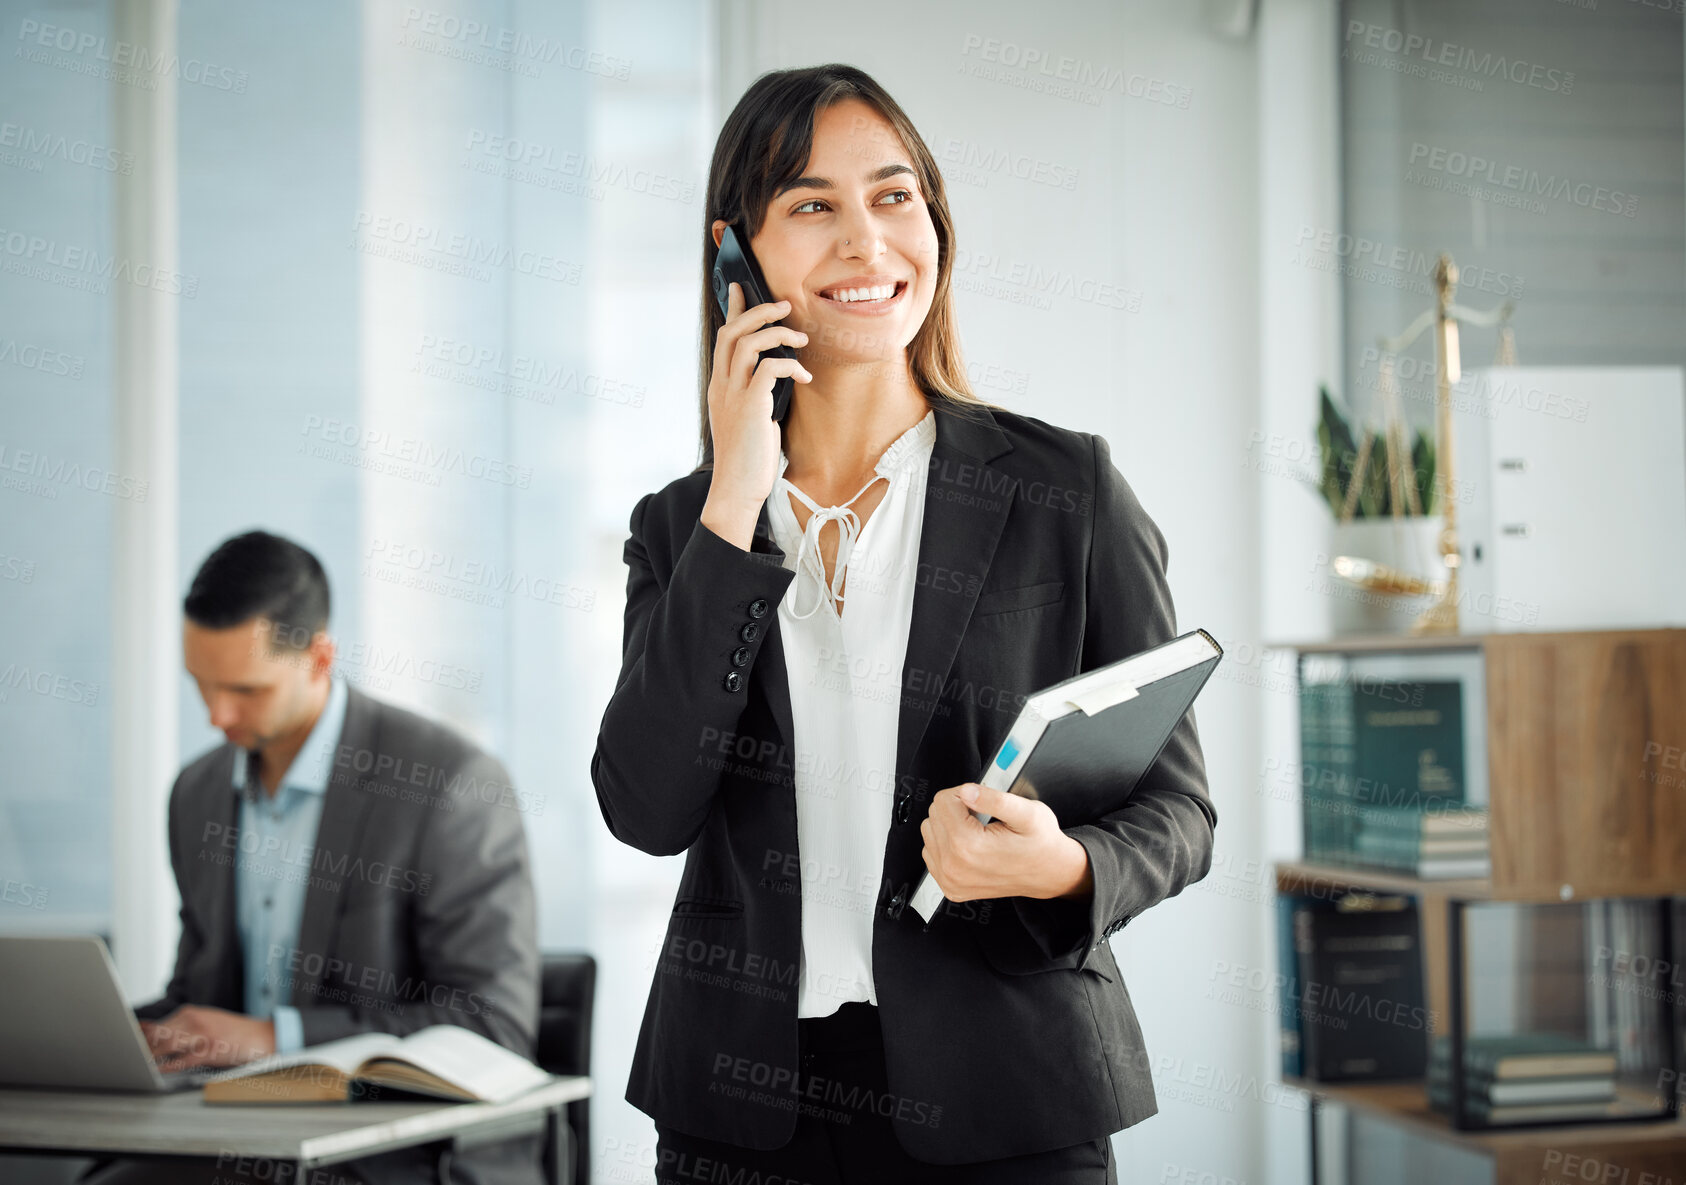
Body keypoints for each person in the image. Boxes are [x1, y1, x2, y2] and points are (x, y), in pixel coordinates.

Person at [591, 64, 1217, 1185]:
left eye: (893, 197)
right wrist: (736, 504)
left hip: (1010, 1099)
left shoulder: (1066, 487)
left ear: (935, 223)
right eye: (813, 206)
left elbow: (1178, 810)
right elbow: (645, 805)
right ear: (737, 258)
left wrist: (1067, 866)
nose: (868, 244)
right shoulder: (682, 525)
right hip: (740, 1113)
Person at [83, 530, 543, 1185]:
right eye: (201, 685)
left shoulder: (448, 781)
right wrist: (109, 1039)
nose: (217, 714)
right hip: (227, 1135)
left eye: (245, 688)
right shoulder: (199, 791)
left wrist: (275, 1039)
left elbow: (492, 1024)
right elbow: (201, 990)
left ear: (319, 658)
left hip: (388, 1150)